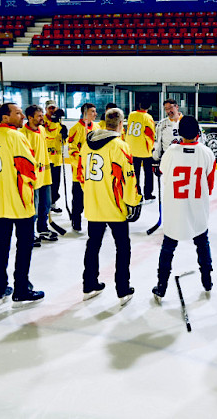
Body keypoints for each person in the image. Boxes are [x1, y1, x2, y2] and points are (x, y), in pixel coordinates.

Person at [0, 103, 44, 303]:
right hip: (20, 202)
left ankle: (0, 287)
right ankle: (21, 289)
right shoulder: (16, 136)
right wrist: (34, 181)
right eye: (18, 113)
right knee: (24, 246)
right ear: (5, 117)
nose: (22, 116)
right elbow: (28, 169)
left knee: (1, 247)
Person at [80, 108, 141, 303]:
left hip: (93, 204)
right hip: (115, 206)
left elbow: (80, 175)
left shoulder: (87, 145)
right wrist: (134, 201)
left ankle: (89, 285)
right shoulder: (119, 146)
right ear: (121, 124)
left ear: (105, 122)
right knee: (123, 247)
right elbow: (128, 178)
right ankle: (123, 289)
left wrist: (92, 194)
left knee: (93, 244)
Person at [153, 116, 216, 303]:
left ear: (179, 132)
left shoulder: (171, 152)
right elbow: (210, 185)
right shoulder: (207, 153)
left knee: (168, 248)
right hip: (198, 209)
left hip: (175, 209)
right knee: (202, 244)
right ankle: (207, 281)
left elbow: (164, 172)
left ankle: (161, 286)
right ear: (198, 132)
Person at [20, 105, 54, 243]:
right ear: (30, 118)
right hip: (32, 177)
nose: (42, 117)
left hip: (45, 175)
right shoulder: (23, 134)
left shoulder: (42, 129)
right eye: (39, 116)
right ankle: (30, 233)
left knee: (46, 204)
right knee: (32, 207)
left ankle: (42, 228)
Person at [66, 102, 97, 232]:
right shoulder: (75, 129)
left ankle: (96, 222)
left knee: (94, 199)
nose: (95, 114)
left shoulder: (97, 127)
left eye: (95, 111)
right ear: (84, 113)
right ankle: (76, 220)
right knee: (78, 199)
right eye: (92, 112)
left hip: (94, 172)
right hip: (79, 174)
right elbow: (72, 149)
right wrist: (82, 162)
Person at [125, 99, 157, 202]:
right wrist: (151, 147)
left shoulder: (131, 115)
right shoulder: (148, 117)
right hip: (144, 150)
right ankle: (148, 193)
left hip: (132, 148)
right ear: (149, 107)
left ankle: (137, 193)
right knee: (148, 172)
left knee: (135, 173)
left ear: (139, 105)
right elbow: (150, 134)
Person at [42, 100, 65, 213]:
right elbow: (49, 136)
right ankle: (43, 205)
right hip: (46, 157)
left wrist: (64, 135)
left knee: (56, 183)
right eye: (50, 108)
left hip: (56, 158)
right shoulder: (43, 121)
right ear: (46, 109)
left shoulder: (58, 121)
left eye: (54, 108)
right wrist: (55, 123)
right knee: (46, 183)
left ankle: (53, 203)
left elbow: (60, 140)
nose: (52, 110)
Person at [152, 98, 184, 173]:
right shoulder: (162, 124)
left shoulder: (187, 121)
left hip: (184, 158)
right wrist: (156, 158)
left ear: (177, 107)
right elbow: (159, 143)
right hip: (168, 159)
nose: (168, 111)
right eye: (166, 109)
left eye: (170, 108)